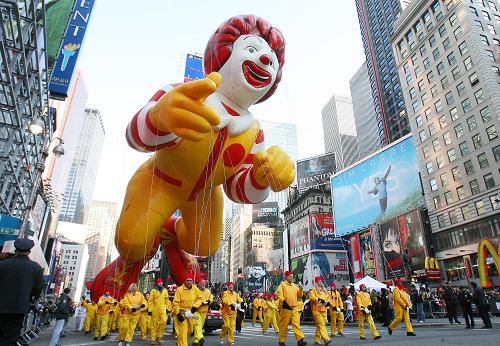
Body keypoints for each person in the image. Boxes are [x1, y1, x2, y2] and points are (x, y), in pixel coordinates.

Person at [0, 238, 44, 345]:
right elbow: (38, 288)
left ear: (15, 250)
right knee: (10, 338)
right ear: (29, 252)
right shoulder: (36, 268)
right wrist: (29, 299)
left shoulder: (3, 265)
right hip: (19, 307)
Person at [276, 271, 307, 346]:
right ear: (286, 277)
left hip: (294, 307)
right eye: (290, 276)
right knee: (284, 325)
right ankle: (281, 341)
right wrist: (284, 302)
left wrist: (301, 289)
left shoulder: (294, 286)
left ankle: (300, 340)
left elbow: (299, 296)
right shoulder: (282, 285)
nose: (292, 278)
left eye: (292, 276)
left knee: (296, 324)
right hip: (286, 308)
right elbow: (279, 294)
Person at [173, 274, 202, 346]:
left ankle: (179, 342)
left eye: (190, 281)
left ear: (192, 281)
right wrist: (178, 313)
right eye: (187, 280)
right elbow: (175, 303)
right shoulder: (179, 290)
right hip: (181, 313)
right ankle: (182, 343)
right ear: (184, 281)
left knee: (189, 330)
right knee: (183, 332)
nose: (189, 282)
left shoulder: (195, 289)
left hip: (190, 313)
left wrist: (195, 306)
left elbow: (199, 298)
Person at [309, 276, 331, 345]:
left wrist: (328, 302)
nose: (320, 282)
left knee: (322, 324)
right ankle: (326, 339)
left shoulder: (324, 290)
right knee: (321, 324)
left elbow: (328, 297)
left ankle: (316, 339)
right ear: (315, 282)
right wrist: (318, 299)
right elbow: (311, 297)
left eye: (321, 281)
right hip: (316, 310)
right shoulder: (313, 290)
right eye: (318, 281)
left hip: (324, 309)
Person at [149, 278, 172, 344]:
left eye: (161, 282)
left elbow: (167, 300)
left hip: (163, 308)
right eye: (159, 282)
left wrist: (168, 308)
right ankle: (152, 339)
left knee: (164, 321)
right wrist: (150, 310)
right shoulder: (153, 290)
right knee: (154, 324)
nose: (160, 283)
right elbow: (150, 301)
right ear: (157, 283)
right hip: (155, 308)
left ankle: (159, 337)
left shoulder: (165, 290)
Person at [193, 277, 213, 346]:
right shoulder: (195, 291)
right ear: (198, 284)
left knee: (200, 326)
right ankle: (200, 338)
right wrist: (198, 304)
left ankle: (195, 339)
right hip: (197, 311)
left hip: (204, 311)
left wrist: (209, 301)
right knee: (197, 325)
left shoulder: (208, 291)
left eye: (204, 282)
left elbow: (211, 297)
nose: (203, 284)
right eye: (202, 283)